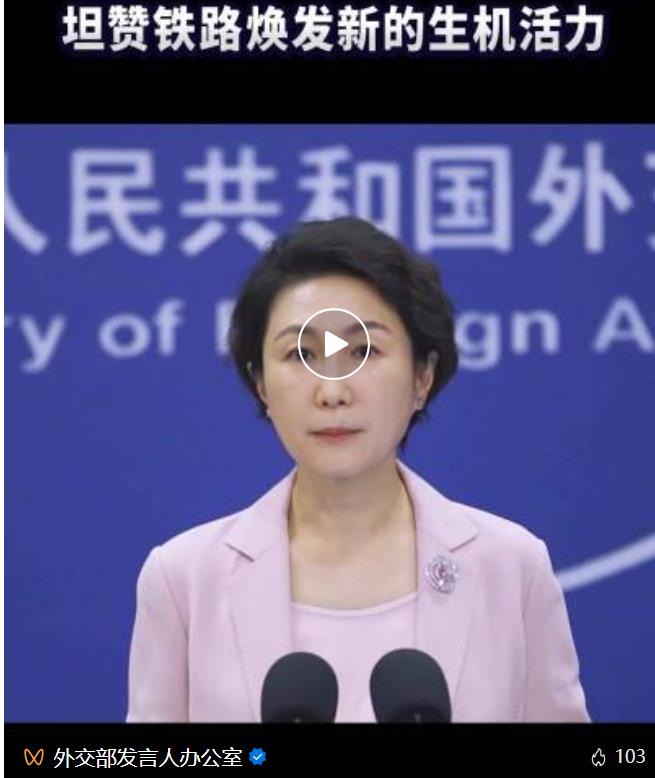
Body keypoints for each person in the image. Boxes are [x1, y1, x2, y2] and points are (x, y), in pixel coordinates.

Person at [126, 216, 591, 723]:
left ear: (422, 376)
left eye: (363, 351)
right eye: (301, 354)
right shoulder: (185, 579)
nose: (332, 391)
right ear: (260, 383)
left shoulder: (512, 567)